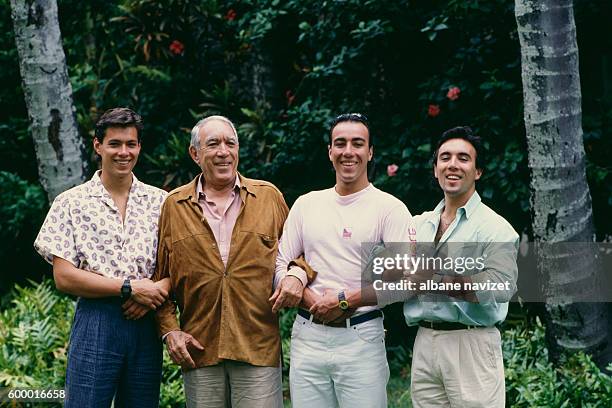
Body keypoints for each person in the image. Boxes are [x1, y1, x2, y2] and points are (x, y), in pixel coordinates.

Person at [324, 126, 518, 407]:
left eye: (463, 158)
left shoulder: (495, 228)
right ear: (436, 169)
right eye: (445, 158)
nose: (453, 165)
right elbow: (384, 272)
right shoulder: (418, 224)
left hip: (471, 344)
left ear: (478, 171)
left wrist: (431, 278)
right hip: (426, 340)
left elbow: (499, 286)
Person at [153, 115, 309, 408]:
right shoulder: (173, 206)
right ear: (195, 154)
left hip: (257, 346)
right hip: (199, 350)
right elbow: (159, 277)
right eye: (213, 144)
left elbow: (300, 255)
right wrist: (170, 331)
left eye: (230, 143)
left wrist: (295, 276)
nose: (223, 151)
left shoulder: (268, 197)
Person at [272, 113, 414, 408]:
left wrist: (345, 300)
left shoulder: (389, 209)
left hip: (361, 337)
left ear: (370, 151)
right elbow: (279, 264)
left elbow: (406, 280)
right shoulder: (307, 204)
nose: (348, 151)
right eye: (340, 143)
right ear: (330, 151)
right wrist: (312, 300)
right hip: (308, 336)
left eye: (357, 143)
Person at [34, 107, 170, 407]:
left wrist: (158, 289)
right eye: (115, 144)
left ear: (139, 147)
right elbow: (64, 276)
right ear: (98, 146)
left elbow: (181, 266)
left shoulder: (162, 202)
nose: (124, 152)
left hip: (146, 320)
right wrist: (128, 287)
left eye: (130, 144)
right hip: (97, 318)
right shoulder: (70, 203)